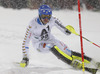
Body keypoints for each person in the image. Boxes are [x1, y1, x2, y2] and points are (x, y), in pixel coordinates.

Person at [21, 4, 99, 74]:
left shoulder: (53, 19)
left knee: (68, 51)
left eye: (48, 16)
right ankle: (72, 62)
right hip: (39, 44)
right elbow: (25, 42)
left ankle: (93, 62)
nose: (46, 19)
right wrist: (25, 57)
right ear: (39, 15)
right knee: (50, 45)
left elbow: (64, 29)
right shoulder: (32, 24)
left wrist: (68, 31)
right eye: (43, 16)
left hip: (50, 39)